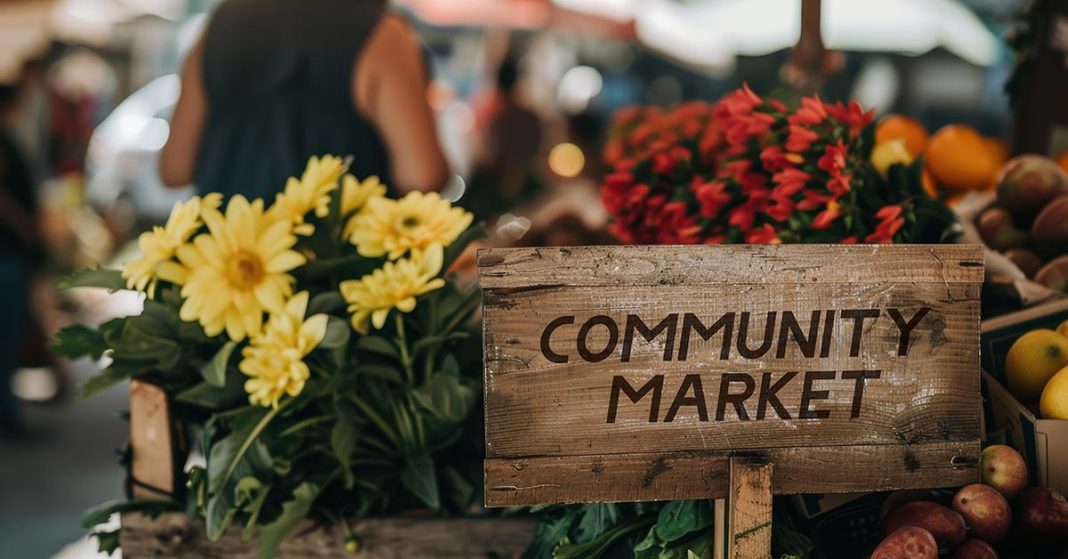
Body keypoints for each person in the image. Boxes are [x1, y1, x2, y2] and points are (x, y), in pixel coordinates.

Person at [160, 0, 448, 197]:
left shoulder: (219, 26)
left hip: (223, 273)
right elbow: (423, 176)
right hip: (345, 275)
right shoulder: (382, 32)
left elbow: (174, 169)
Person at [0, 82, 39, 437]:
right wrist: (24, 225)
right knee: (6, 338)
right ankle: (7, 417)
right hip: (6, 252)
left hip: (11, 252)